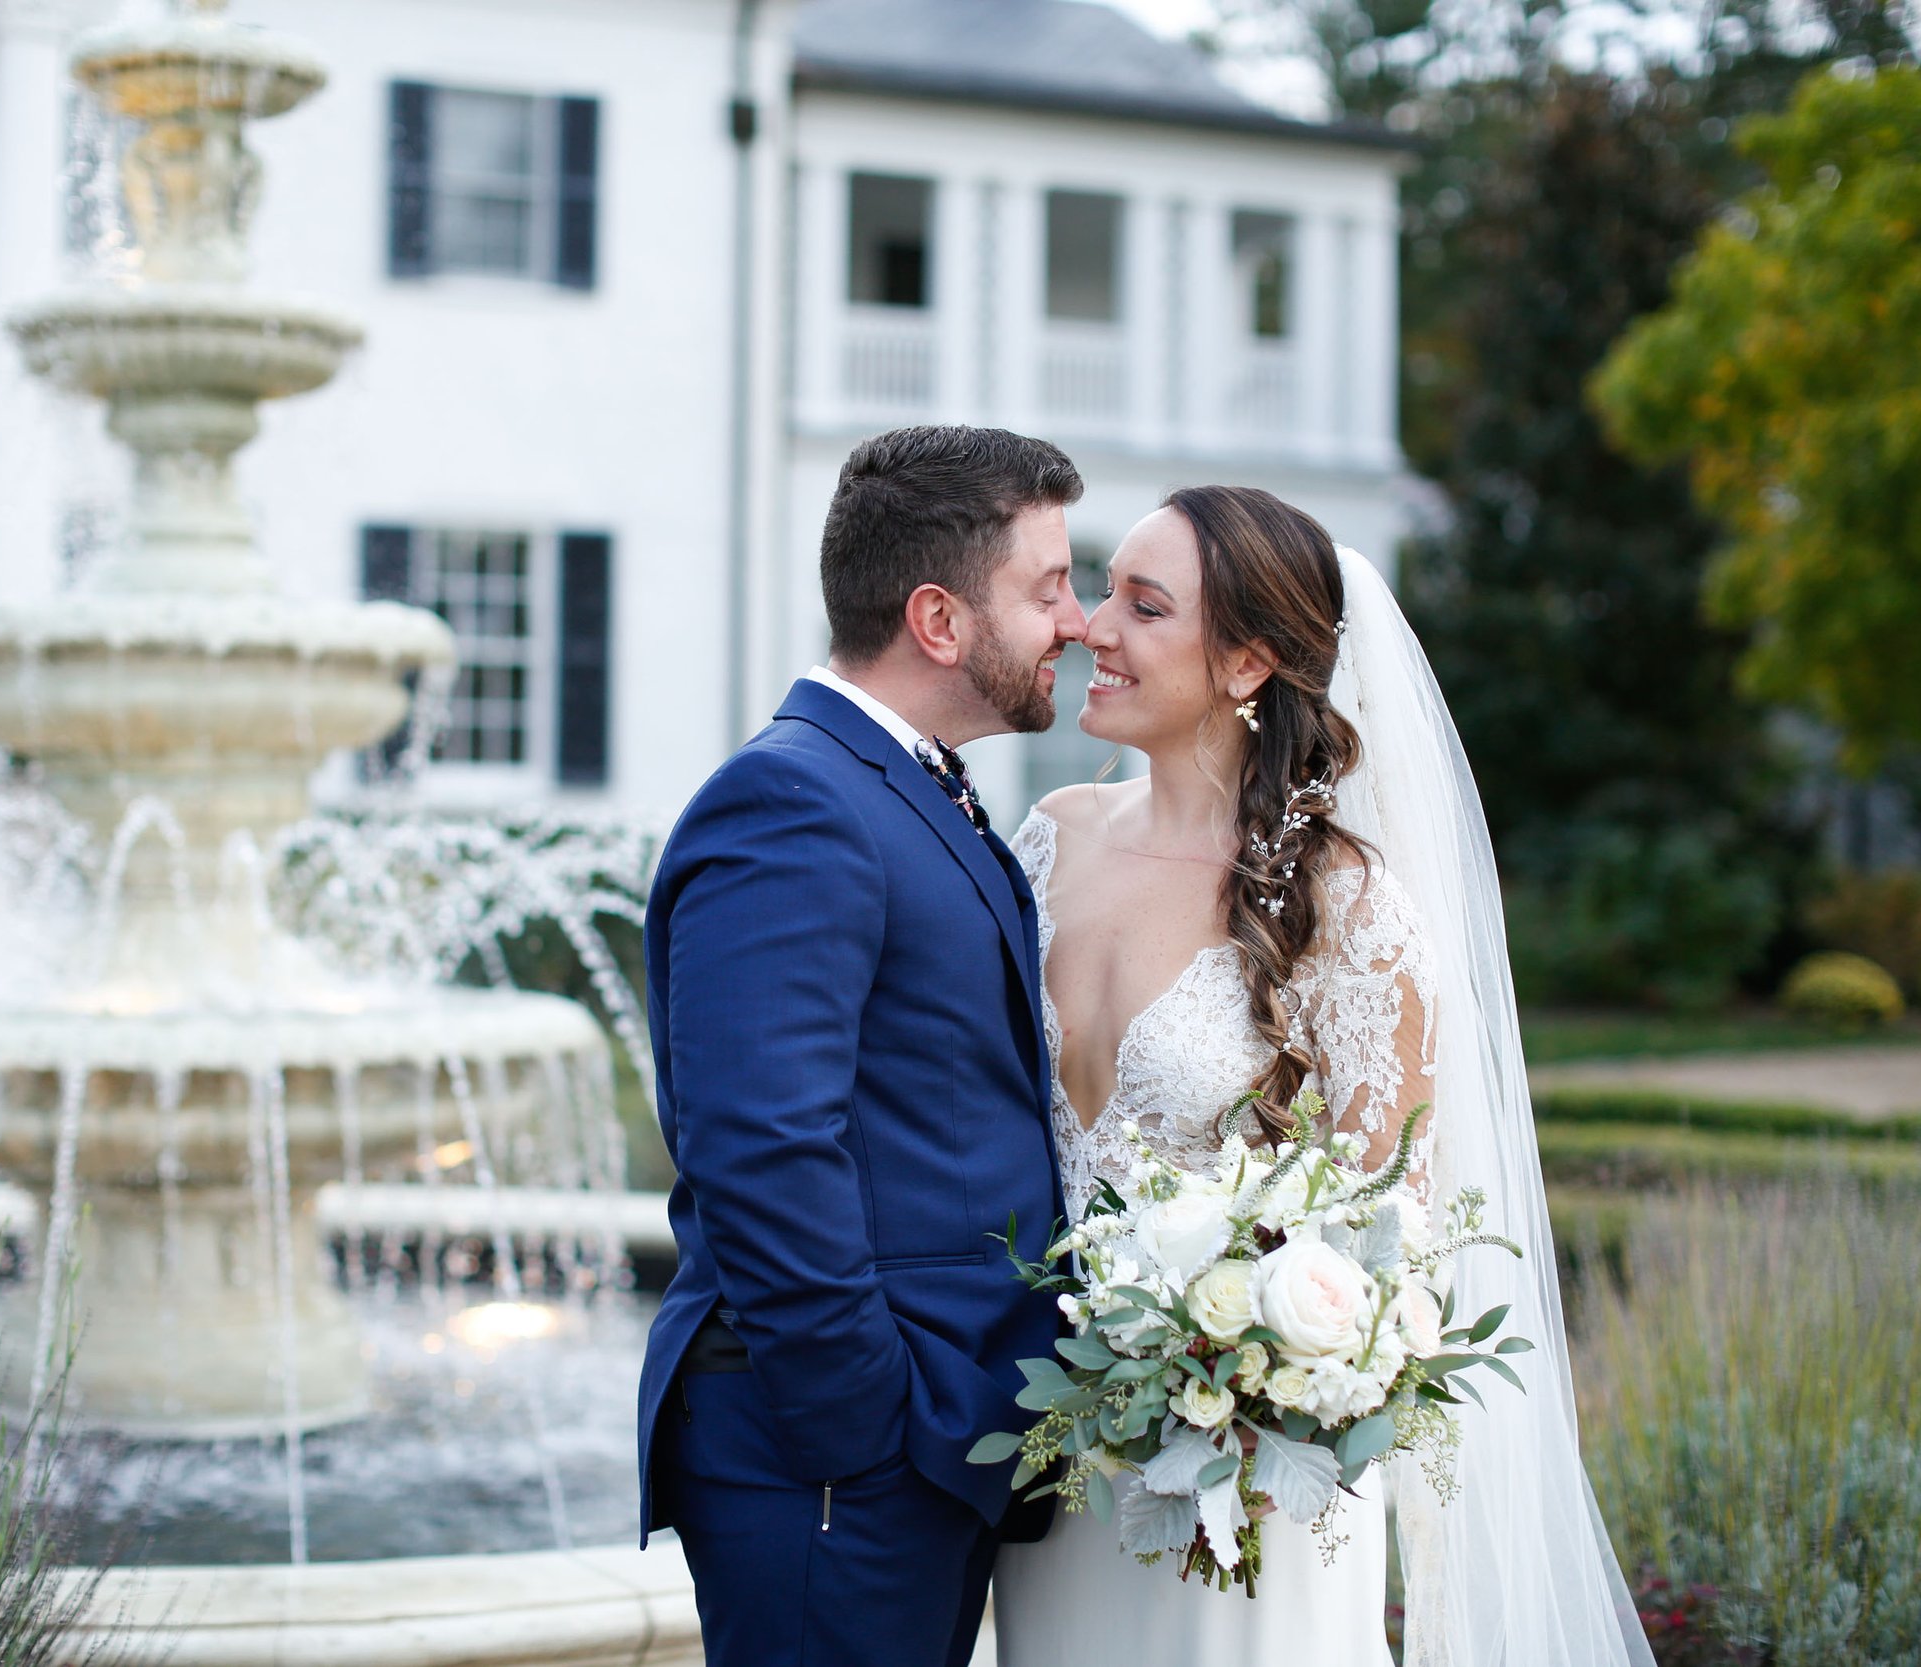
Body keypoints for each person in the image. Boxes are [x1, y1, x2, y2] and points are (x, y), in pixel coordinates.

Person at [994, 487, 1654, 1667]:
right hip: (1053, 1460)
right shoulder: (1049, 836)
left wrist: (1251, 1384)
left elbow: (1386, 1243)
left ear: (1248, 661)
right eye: (1104, 592)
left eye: (1144, 607)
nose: (1094, 625)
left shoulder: (1349, 915)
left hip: (1244, 1489)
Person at [636, 425, 1087, 1667]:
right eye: (1047, 588)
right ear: (939, 619)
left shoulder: (900, 784)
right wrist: (868, 1431)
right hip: (834, 1456)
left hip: (926, 1444)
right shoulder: (790, 801)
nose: (1079, 619)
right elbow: (762, 1143)